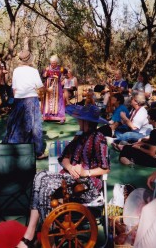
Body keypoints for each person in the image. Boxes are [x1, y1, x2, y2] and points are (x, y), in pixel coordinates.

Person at [15, 104, 110, 248]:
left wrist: (86, 172)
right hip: (71, 179)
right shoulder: (79, 137)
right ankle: (31, 232)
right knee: (39, 176)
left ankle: (49, 239)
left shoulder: (99, 138)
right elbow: (64, 158)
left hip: (87, 185)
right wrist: (70, 167)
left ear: (87, 122)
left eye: (80, 120)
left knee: (47, 187)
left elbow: (105, 168)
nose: (78, 122)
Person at [2, 50, 46, 159]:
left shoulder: (16, 71)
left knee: (16, 124)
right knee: (35, 126)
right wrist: (47, 89)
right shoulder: (33, 71)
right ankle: (38, 152)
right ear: (30, 59)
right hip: (31, 99)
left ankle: (14, 149)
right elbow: (40, 87)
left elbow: (14, 89)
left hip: (19, 100)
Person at [42, 55, 66, 123]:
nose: (52, 64)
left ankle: (60, 116)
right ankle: (47, 115)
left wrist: (63, 80)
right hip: (49, 85)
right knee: (48, 100)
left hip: (57, 86)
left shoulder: (60, 68)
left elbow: (66, 74)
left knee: (59, 100)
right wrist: (46, 72)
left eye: (54, 63)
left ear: (56, 63)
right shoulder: (47, 68)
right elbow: (43, 76)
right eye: (52, 63)